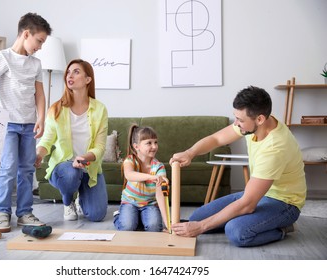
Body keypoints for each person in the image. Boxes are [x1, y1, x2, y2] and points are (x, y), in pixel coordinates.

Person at [170, 86, 307, 247]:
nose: (236, 124)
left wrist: (201, 227)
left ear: (260, 119)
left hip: (284, 203)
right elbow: (216, 139)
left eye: (240, 120)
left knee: (236, 232)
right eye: (236, 117)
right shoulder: (254, 124)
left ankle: (283, 228)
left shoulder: (275, 148)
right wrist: (189, 153)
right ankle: (244, 219)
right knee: (197, 218)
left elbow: (248, 204)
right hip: (258, 193)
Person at [0, 12, 52, 232]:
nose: (40, 46)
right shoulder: (2, 57)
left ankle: (24, 213)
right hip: (9, 124)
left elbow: (39, 95)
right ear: (26, 34)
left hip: (29, 125)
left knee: (27, 170)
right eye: (39, 41)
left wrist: (41, 119)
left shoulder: (36, 64)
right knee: (8, 169)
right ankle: (2, 212)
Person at [35, 59, 108, 222]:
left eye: (76, 72)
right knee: (71, 172)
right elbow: (46, 141)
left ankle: (80, 198)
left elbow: (100, 147)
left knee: (97, 215)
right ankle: (68, 203)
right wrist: (39, 154)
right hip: (64, 168)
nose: (70, 75)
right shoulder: (56, 108)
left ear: (88, 79)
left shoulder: (100, 109)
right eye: (68, 72)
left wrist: (83, 159)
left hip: (88, 167)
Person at [113, 124, 170, 232]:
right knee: (127, 227)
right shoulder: (130, 160)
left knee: (155, 228)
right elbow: (129, 175)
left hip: (149, 204)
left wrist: (167, 223)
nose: (154, 146)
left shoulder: (159, 167)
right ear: (136, 146)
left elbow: (160, 195)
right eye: (149, 143)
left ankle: (139, 220)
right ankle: (118, 216)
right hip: (130, 202)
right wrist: (151, 177)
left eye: (155, 142)